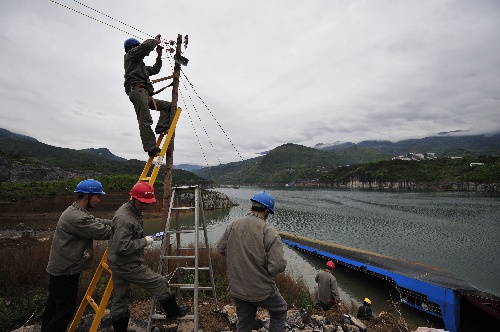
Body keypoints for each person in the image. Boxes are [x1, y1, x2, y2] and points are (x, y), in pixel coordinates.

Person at [108, 182, 189, 331]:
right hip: (127, 265)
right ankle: (173, 313)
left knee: (120, 299)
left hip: (118, 263)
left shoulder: (131, 211)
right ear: (133, 198)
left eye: (147, 203)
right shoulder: (126, 219)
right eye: (142, 203)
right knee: (159, 282)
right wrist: (145, 241)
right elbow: (121, 247)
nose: (145, 206)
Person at [41, 179, 112, 332]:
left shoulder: (76, 211)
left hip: (60, 269)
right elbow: (103, 232)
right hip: (65, 271)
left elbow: (95, 220)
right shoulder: (76, 218)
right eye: (97, 196)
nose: (99, 200)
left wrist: (116, 221)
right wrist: (125, 228)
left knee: (53, 308)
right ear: (88, 196)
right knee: (65, 312)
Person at [217, 191, 288, 332]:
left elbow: (220, 248)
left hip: (237, 286)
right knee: (280, 310)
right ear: (267, 210)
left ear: (252, 207)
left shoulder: (234, 224)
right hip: (261, 289)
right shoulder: (269, 231)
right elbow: (277, 266)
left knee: (244, 322)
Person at [123, 34, 173, 157]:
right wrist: (155, 41)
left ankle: (161, 126)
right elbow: (145, 47)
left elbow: (156, 69)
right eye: (137, 47)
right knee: (145, 120)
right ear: (133, 48)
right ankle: (151, 148)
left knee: (169, 106)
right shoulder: (130, 56)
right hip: (137, 92)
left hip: (144, 93)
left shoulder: (140, 66)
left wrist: (159, 56)